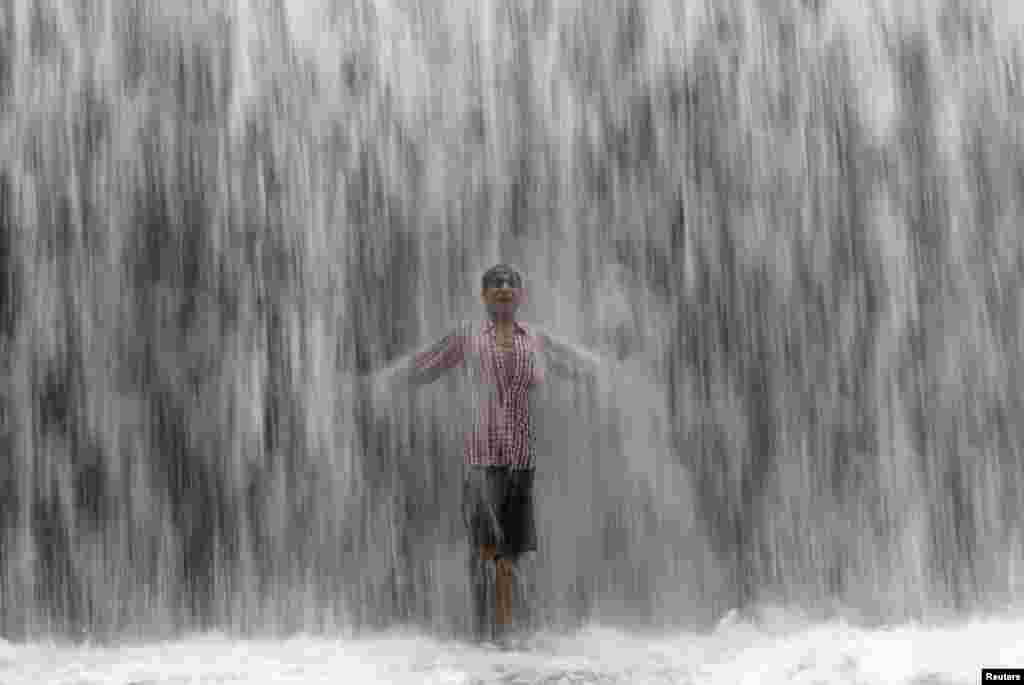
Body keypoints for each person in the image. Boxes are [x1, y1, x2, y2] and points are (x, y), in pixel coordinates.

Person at [361, 263, 614, 645]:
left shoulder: (536, 340)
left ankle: (509, 633)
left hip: (520, 456)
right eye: (495, 283)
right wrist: (382, 382)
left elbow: (581, 365)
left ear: (521, 294)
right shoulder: (466, 337)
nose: (503, 288)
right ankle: (484, 634)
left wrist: (617, 372)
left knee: (513, 552)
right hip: (481, 456)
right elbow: (426, 364)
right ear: (483, 294)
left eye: (510, 283)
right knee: (483, 549)